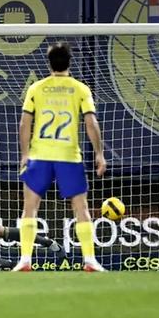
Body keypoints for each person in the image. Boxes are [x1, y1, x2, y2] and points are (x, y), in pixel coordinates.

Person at [13, 42, 107, 272]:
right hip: (69, 156)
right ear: (69, 62)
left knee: (30, 208)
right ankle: (90, 260)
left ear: (49, 62)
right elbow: (91, 123)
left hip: (40, 155)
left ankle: (25, 260)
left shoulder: (36, 88)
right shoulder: (80, 89)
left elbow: (25, 122)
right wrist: (99, 153)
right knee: (81, 208)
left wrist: (25, 154)